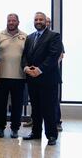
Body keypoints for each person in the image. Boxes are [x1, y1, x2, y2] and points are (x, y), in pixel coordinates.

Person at [22, 12, 63, 146]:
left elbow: (53, 56)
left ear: (46, 21)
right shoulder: (30, 37)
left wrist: (39, 70)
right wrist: (26, 68)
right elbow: (24, 56)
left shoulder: (54, 36)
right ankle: (36, 133)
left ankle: (51, 135)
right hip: (32, 80)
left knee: (48, 108)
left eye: (41, 19)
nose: (38, 21)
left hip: (48, 79)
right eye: (36, 19)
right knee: (36, 108)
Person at [0, 13, 27, 139]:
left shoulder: (25, 36)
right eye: (9, 20)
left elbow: (27, 56)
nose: (11, 22)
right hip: (1, 76)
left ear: (18, 22)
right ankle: (0, 128)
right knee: (0, 104)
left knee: (17, 105)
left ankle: (15, 129)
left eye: (13, 20)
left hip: (19, 76)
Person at [46, 16, 64, 132]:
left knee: (53, 101)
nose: (45, 23)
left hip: (51, 74)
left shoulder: (55, 37)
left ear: (50, 24)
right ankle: (34, 120)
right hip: (38, 74)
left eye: (47, 22)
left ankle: (57, 122)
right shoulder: (34, 37)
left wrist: (48, 67)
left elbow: (60, 55)